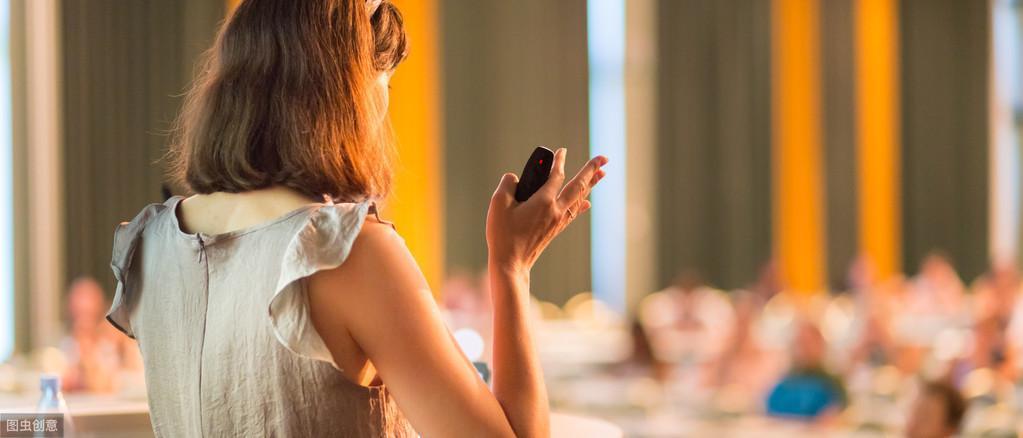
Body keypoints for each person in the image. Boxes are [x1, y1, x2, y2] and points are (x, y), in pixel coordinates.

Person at [105, 1, 608, 436]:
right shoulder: (343, 250)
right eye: (384, 82)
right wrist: (511, 267)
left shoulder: (148, 244)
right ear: (348, 93)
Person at [765, 321, 847, 420]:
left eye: (809, 342)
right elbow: (768, 413)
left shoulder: (832, 384)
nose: (804, 348)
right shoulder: (784, 383)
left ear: (820, 345)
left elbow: (841, 413)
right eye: (800, 342)